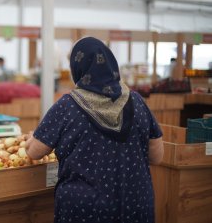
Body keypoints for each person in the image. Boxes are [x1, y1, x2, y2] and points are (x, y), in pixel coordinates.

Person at [26, 37, 164, 223]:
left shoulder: (67, 106)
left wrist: (30, 139)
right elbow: (157, 156)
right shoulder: (137, 101)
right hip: (135, 204)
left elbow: (35, 152)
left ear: (78, 68)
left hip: (86, 209)